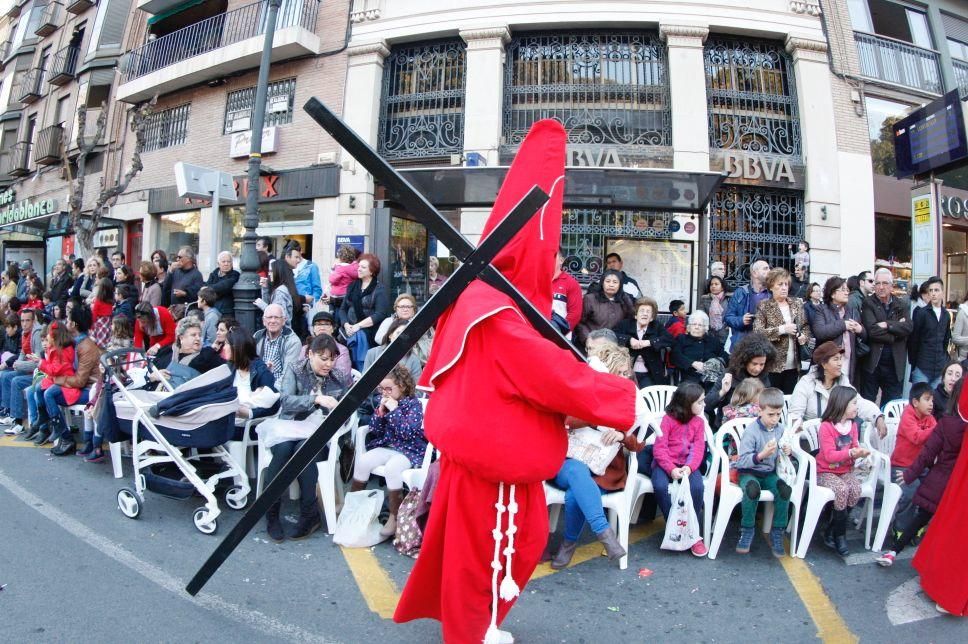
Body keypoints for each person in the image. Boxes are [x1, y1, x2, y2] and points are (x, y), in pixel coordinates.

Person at [394, 120, 639, 644]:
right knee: (486, 556)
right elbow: (549, 375)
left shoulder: (481, 298)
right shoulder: (495, 310)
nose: (551, 266)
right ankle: (471, 633)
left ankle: (477, 626)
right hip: (491, 470)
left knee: (501, 548)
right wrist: (618, 395)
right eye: (548, 255)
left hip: (493, 463)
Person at [549, 345, 645, 568]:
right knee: (577, 471)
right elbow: (565, 420)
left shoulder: (629, 397)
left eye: (626, 373)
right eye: (619, 372)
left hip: (605, 469)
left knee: (575, 495)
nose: (624, 377)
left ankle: (569, 544)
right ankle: (604, 533)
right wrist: (596, 419)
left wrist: (622, 435)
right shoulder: (586, 389)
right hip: (569, 460)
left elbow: (639, 444)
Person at [262, 333, 348, 542]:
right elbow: (287, 401)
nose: (328, 364)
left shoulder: (339, 376)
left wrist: (335, 410)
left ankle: (309, 513)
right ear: (310, 354)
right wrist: (315, 399)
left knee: (304, 450)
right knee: (283, 450)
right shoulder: (295, 369)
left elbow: (346, 411)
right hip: (289, 426)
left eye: (332, 359)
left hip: (320, 434)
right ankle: (270, 511)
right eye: (323, 358)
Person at [876, 378, 966, 572]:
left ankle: (893, 551)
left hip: (940, 480)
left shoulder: (945, 424)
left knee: (922, 516)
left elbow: (927, 455)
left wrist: (910, 474)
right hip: (958, 486)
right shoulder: (940, 422)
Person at [350, 364, 426, 538]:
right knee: (364, 461)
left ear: (402, 386)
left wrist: (394, 410)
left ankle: (394, 516)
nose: (385, 393)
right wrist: (380, 413)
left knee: (393, 468)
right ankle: (355, 506)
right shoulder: (384, 402)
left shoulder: (414, 405)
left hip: (409, 450)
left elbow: (407, 433)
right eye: (382, 389)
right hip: (388, 445)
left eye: (389, 389)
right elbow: (375, 430)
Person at [651, 381, 709, 557]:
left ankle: (693, 533)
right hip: (664, 464)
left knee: (697, 488)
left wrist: (689, 468)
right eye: (700, 402)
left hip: (687, 465)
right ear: (686, 403)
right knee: (660, 486)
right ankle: (674, 526)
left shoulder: (699, 422)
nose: (704, 404)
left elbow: (698, 448)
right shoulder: (667, 420)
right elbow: (659, 448)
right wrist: (670, 469)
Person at [731, 387, 792, 556]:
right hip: (748, 472)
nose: (775, 419)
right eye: (771, 414)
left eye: (778, 414)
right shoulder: (752, 431)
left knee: (785, 490)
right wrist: (761, 455)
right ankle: (747, 529)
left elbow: (784, 450)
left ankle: (777, 531)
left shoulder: (780, 429)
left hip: (769, 473)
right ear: (760, 411)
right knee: (752, 490)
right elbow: (742, 461)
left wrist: (787, 450)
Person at [816, 385, 870, 556]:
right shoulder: (826, 426)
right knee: (841, 489)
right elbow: (830, 455)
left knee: (855, 488)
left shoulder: (852, 426)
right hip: (825, 471)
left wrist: (860, 453)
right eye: (853, 403)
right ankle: (840, 536)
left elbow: (854, 446)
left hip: (845, 470)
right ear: (842, 404)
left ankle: (832, 527)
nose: (856, 407)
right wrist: (850, 453)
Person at [788, 341, 886, 435]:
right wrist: (801, 433)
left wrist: (878, 417)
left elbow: (859, 402)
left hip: (836, 436)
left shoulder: (842, 381)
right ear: (824, 364)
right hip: (811, 438)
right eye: (835, 359)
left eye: (840, 358)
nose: (840, 363)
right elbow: (795, 415)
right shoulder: (806, 383)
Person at [42, 305, 101, 456]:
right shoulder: (75, 342)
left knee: (50, 394)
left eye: (68, 319)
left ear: (74, 324)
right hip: (77, 386)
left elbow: (81, 381)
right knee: (44, 391)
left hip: (90, 391)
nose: (65, 322)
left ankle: (66, 437)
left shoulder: (86, 346)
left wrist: (59, 379)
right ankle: (58, 432)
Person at [753, 267, 812, 394]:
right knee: (772, 399)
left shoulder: (796, 304)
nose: (784, 287)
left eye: (786, 284)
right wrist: (782, 329)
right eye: (780, 284)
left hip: (794, 363)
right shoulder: (764, 306)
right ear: (771, 286)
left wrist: (804, 337)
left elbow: (805, 326)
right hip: (773, 364)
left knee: (789, 399)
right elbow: (758, 332)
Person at [860, 268, 912, 404]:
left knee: (891, 404)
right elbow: (872, 331)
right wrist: (895, 334)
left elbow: (908, 328)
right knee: (868, 403)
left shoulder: (901, 304)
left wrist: (887, 325)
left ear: (891, 285)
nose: (881, 287)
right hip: (873, 363)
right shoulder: (868, 303)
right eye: (877, 283)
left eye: (885, 283)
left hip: (894, 365)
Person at [890, 382, 937, 526]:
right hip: (901, 467)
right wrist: (936, 429)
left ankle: (918, 526)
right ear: (915, 402)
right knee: (913, 492)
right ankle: (900, 528)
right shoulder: (907, 415)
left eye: (932, 400)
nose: (931, 404)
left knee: (933, 489)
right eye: (927, 399)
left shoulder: (929, 418)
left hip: (920, 467)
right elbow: (916, 437)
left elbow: (937, 436)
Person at [705, 332, 776, 424]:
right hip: (729, 426)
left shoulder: (763, 375)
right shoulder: (729, 374)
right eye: (754, 364)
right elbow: (707, 405)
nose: (758, 368)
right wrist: (723, 391)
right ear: (745, 360)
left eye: (762, 364)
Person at [809, 276, 866, 384]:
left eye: (847, 290)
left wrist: (860, 330)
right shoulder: (822, 310)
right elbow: (820, 332)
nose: (846, 293)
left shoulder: (852, 311)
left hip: (849, 362)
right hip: (830, 362)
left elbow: (865, 335)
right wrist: (843, 325)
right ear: (832, 294)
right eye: (843, 290)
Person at [0, 309, 43, 434]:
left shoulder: (37, 334)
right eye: (22, 321)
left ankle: (19, 422)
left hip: (40, 374)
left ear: (33, 320)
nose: (24, 324)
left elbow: (38, 364)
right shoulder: (25, 333)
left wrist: (19, 364)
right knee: (5, 376)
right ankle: (9, 412)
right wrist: (17, 364)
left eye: (27, 320)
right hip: (29, 370)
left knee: (16, 381)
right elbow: (23, 354)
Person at [613, 296, 671, 387]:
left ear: (651, 317)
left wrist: (649, 342)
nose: (645, 314)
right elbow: (612, 335)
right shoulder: (625, 324)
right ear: (636, 315)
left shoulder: (657, 326)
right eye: (642, 311)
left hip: (650, 374)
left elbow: (669, 339)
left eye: (648, 312)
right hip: (626, 372)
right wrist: (629, 340)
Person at [224, 327, 278, 422]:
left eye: (226, 344)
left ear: (236, 347)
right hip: (228, 420)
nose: (223, 347)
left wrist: (250, 413)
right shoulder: (229, 367)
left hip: (248, 426)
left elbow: (275, 404)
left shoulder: (261, 371)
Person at [339, 253, 390, 350]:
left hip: (369, 334)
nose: (359, 269)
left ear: (372, 271)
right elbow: (342, 309)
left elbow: (380, 314)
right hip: (348, 332)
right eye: (358, 266)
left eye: (363, 267)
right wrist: (346, 325)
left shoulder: (379, 289)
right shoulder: (352, 286)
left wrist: (358, 326)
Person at [573, 269, 633, 350]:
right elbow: (580, 322)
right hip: (593, 345)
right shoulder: (590, 299)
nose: (611, 285)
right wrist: (588, 339)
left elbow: (629, 322)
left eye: (615, 282)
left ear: (620, 285)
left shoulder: (624, 301)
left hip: (614, 347)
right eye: (608, 281)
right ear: (602, 283)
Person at [909, 276, 951, 388]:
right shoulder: (921, 313)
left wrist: (944, 360)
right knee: (918, 402)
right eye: (931, 290)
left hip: (939, 367)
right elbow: (913, 341)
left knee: (936, 403)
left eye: (936, 290)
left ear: (942, 292)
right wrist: (915, 364)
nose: (933, 293)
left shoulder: (946, 315)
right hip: (922, 367)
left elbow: (945, 340)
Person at [374, 294, 433, 365]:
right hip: (393, 359)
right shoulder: (389, 321)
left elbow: (432, 341)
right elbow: (379, 339)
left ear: (414, 309)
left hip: (419, 360)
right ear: (396, 308)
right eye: (402, 307)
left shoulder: (421, 323)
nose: (405, 309)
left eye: (409, 307)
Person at [671, 310, 728, 385]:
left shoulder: (713, 341)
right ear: (689, 326)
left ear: (705, 328)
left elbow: (724, 357)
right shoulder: (681, 339)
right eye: (694, 324)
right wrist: (692, 363)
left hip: (710, 381)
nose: (696, 327)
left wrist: (714, 364)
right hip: (688, 380)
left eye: (700, 325)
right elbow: (675, 356)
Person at [255, 258, 307, 339]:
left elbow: (278, 316)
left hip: (281, 335)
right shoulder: (285, 288)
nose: (269, 274)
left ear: (278, 272)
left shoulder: (280, 292)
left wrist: (261, 304)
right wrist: (265, 288)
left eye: (272, 271)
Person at [362, 318, 424, 383]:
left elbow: (417, 389)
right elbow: (364, 382)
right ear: (390, 335)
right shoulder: (372, 353)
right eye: (398, 333)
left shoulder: (414, 359)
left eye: (405, 334)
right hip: (377, 392)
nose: (402, 337)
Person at [724, 259, 770, 345]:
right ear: (755, 273)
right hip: (743, 344)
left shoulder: (772, 293)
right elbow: (728, 317)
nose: (769, 271)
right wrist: (741, 320)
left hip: (765, 343)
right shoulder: (741, 292)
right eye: (765, 268)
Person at [254, 303, 302, 384]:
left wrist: (269, 389)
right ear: (264, 321)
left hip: (280, 388)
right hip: (258, 384)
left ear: (283, 321)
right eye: (269, 317)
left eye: (276, 317)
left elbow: (288, 377)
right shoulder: (257, 336)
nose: (272, 321)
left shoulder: (293, 342)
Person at [305, 311, 352, 376]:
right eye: (318, 324)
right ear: (313, 329)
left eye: (326, 324)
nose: (322, 328)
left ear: (333, 328)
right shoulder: (305, 348)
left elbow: (342, 376)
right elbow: (299, 371)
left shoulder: (342, 350)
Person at [285, 241, 322, 319]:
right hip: (291, 306)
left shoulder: (311, 266)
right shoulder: (287, 266)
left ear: (300, 251)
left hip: (305, 307)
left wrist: (310, 305)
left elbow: (317, 289)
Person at [551, 249, 582, 337]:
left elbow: (575, 314)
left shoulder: (571, 283)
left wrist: (558, 330)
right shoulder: (537, 280)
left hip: (561, 335)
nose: (549, 259)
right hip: (537, 334)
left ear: (561, 260)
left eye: (553, 256)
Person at [326, 245, 358, 321]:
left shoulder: (340, 268)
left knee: (336, 317)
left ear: (340, 257)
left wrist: (333, 270)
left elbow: (332, 279)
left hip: (338, 297)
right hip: (348, 296)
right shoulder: (353, 267)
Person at [205, 251, 240, 317]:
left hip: (226, 312)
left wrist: (210, 289)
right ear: (218, 264)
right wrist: (211, 289)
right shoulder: (214, 274)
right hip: (212, 309)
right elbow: (205, 289)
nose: (226, 264)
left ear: (232, 263)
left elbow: (224, 286)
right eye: (223, 262)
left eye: (228, 261)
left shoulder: (235, 275)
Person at [698, 276, 731, 345]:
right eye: (711, 284)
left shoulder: (729, 298)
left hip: (726, 332)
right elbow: (701, 314)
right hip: (710, 333)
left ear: (722, 287)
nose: (713, 286)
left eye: (716, 284)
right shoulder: (705, 299)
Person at [90, 278, 115, 348]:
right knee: (106, 343)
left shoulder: (98, 301)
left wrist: (91, 327)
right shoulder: (111, 301)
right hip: (107, 324)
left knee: (98, 345)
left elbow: (94, 314)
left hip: (99, 324)